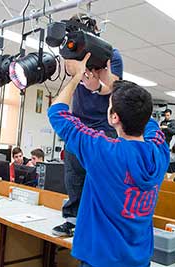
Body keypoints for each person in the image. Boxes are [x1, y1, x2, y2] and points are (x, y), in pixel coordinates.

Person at [48, 53, 169, 267]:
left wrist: (76, 76)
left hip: (100, 260)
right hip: (139, 261)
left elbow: (57, 113)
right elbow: (146, 116)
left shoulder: (103, 151)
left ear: (114, 118)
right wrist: (113, 81)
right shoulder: (160, 151)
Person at [52, 14, 123, 237]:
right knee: (73, 174)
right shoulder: (71, 52)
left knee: (100, 175)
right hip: (79, 121)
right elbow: (72, 73)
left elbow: (115, 87)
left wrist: (95, 86)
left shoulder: (111, 54)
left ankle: (100, 220)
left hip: (104, 124)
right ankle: (72, 220)